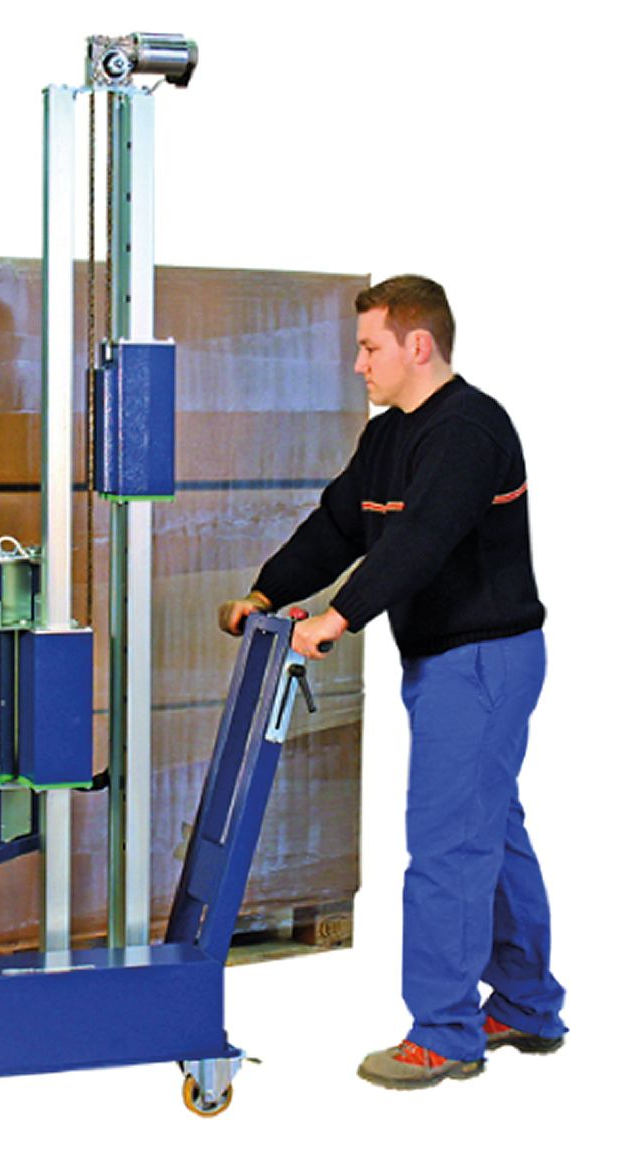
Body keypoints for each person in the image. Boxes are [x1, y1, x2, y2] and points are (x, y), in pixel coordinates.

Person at [218, 275, 567, 1090]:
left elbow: (421, 541)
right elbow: (339, 524)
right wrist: (267, 592)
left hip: (481, 659)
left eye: (368, 347)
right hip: (447, 661)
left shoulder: (470, 429)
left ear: (418, 345)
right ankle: (525, 1002)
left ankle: (443, 1032)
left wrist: (337, 619)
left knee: (447, 843)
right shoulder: (388, 437)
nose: (357, 364)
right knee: (489, 828)